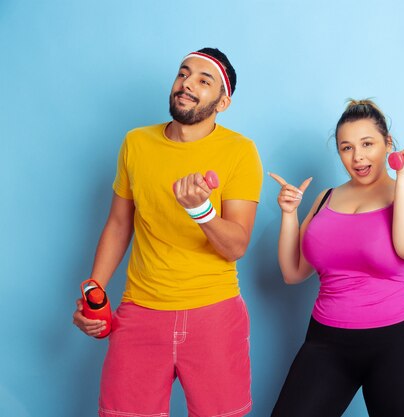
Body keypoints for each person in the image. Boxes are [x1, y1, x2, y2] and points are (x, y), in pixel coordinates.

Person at [72, 47, 263, 417]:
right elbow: (118, 223)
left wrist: (201, 211)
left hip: (213, 315)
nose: (187, 84)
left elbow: (236, 244)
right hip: (140, 312)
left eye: (203, 81)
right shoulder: (136, 143)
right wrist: (94, 289)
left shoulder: (240, 151)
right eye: (183, 74)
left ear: (222, 103)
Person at [269, 99, 404, 417]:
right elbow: (293, 272)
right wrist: (289, 214)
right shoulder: (325, 199)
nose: (357, 156)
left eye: (367, 144)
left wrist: (402, 177)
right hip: (327, 342)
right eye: (346, 148)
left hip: (398, 343)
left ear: (388, 144)